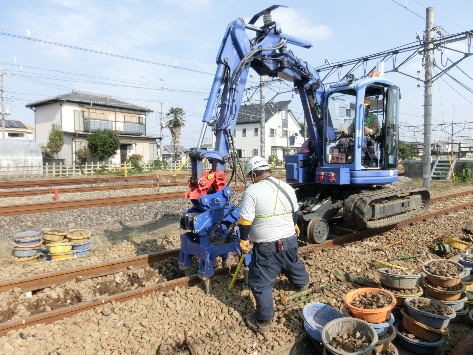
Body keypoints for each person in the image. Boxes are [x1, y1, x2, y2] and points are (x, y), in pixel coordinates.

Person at [238, 156, 310, 334]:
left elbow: (245, 220)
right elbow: (295, 212)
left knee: (260, 281)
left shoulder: (252, 191)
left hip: (267, 246)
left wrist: (244, 239)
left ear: (254, 174)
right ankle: (302, 284)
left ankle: (263, 320)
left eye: (250, 176)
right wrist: (292, 226)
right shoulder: (287, 187)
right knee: (291, 262)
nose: (250, 179)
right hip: (290, 240)